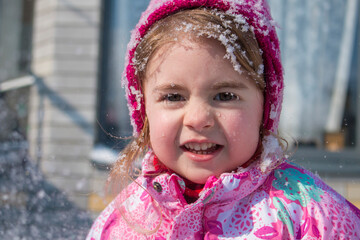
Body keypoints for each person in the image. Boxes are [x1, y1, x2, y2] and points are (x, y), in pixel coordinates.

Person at [87, 0, 360, 239]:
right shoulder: (122, 222)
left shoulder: (313, 216)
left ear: (266, 106)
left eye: (225, 95)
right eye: (173, 97)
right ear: (144, 110)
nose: (198, 119)